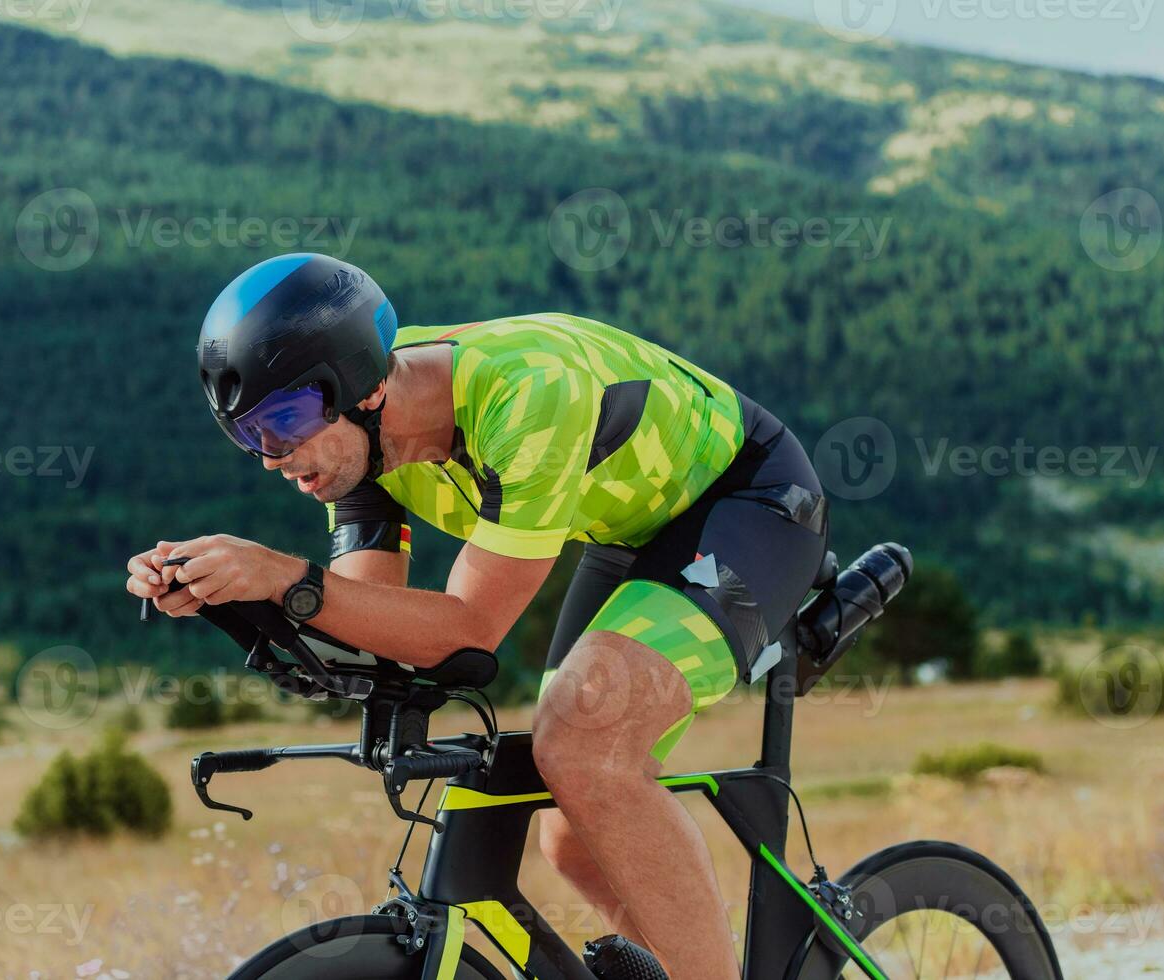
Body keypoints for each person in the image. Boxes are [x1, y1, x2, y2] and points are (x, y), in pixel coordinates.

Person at [125, 253, 828, 980]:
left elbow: (466, 630)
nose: (272, 457)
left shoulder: (528, 399)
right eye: (249, 437)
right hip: (621, 528)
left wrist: (279, 573)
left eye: (282, 422)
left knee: (584, 749)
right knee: (572, 838)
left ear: (356, 391)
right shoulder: (363, 449)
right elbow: (370, 632)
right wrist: (237, 596)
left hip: (750, 505)